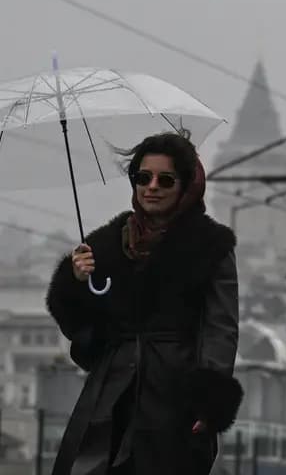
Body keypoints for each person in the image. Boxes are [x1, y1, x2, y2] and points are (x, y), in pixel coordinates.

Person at [46, 132, 242, 475]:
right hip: (109, 393)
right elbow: (80, 325)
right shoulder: (106, 244)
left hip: (172, 394)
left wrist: (208, 402)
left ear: (185, 186)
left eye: (165, 179)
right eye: (143, 177)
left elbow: (220, 329)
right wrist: (75, 284)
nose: (152, 187)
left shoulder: (210, 246)